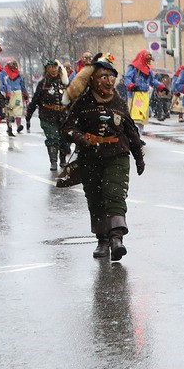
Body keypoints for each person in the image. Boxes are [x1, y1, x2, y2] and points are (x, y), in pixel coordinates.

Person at [62, 54, 146, 262]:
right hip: (90, 157)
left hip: (117, 154)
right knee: (95, 198)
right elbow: (67, 128)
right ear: (92, 80)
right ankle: (102, 240)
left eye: (111, 77)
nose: (108, 82)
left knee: (115, 195)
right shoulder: (82, 103)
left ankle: (117, 238)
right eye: (103, 77)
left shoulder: (118, 101)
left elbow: (130, 129)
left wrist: (138, 156)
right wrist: (80, 137)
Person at [26, 59, 71, 171]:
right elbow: (35, 100)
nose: (53, 70)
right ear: (46, 70)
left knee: (64, 138)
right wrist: (28, 115)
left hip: (63, 115)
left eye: (55, 67)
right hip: (48, 115)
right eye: (50, 67)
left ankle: (63, 159)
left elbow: (72, 99)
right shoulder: (43, 84)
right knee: (52, 138)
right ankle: (53, 162)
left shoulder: (65, 83)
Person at [121, 49, 162, 127]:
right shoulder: (133, 67)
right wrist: (131, 85)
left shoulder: (148, 69)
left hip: (144, 95)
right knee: (136, 114)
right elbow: (127, 78)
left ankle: (140, 131)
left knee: (142, 116)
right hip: (136, 94)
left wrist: (161, 86)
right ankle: (134, 131)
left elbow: (152, 80)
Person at [0, 58, 28, 136]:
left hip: (11, 93)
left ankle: (12, 126)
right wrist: (25, 93)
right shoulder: (17, 74)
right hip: (14, 92)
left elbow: (22, 85)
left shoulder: (4, 74)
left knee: (10, 109)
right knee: (15, 108)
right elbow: (22, 85)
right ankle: (14, 126)